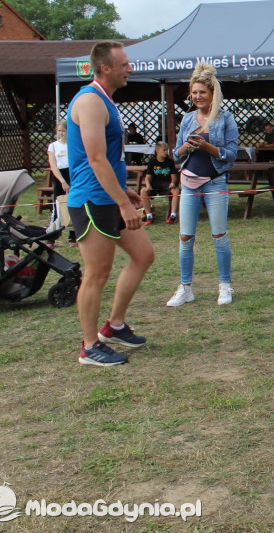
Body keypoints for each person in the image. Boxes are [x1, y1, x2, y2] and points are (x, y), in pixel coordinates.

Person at [66, 41, 154, 366]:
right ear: (106, 68)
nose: (130, 68)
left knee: (144, 256)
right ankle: (89, 347)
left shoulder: (106, 100)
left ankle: (114, 325)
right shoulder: (90, 101)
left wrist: (124, 191)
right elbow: (96, 159)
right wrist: (124, 203)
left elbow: (110, 159)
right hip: (92, 201)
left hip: (110, 197)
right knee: (97, 274)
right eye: (125, 64)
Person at [166, 62, 240, 308]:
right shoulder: (187, 119)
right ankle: (186, 288)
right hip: (189, 184)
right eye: (194, 92)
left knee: (219, 236)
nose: (197, 97)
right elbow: (176, 155)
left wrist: (208, 147)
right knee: (185, 237)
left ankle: (225, 286)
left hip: (215, 183)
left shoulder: (225, 119)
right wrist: (186, 147)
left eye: (202, 92)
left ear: (212, 94)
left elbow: (231, 154)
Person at [46, 119, 78, 247]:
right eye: (59, 131)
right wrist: (63, 181)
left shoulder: (73, 144)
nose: (61, 133)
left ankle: (73, 237)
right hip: (60, 176)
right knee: (57, 207)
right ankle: (51, 238)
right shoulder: (53, 146)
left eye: (63, 131)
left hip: (72, 175)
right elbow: (53, 165)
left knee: (73, 206)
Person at [141, 141, 179, 225]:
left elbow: (174, 176)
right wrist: (148, 184)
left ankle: (173, 215)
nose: (166, 152)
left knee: (176, 190)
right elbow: (148, 177)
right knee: (143, 191)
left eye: (167, 150)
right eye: (164, 150)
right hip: (155, 184)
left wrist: (173, 182)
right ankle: (149, 216)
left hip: (166, 184)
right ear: (157, 151)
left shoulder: (169, 162)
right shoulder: (152, 162)